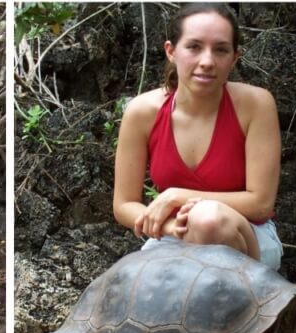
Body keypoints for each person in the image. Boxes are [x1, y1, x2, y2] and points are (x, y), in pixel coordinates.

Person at [113, 3, 283, 269]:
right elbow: (124, 204)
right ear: (171, 51)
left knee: (207, 219)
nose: (207, 61)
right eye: (194, 47)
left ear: (234, 58)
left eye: (221, 50)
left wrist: (176, 196)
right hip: (174, 236)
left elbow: (261, 204)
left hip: (249, 238)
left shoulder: (256, 105)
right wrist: (172, 227)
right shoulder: (142, 112)